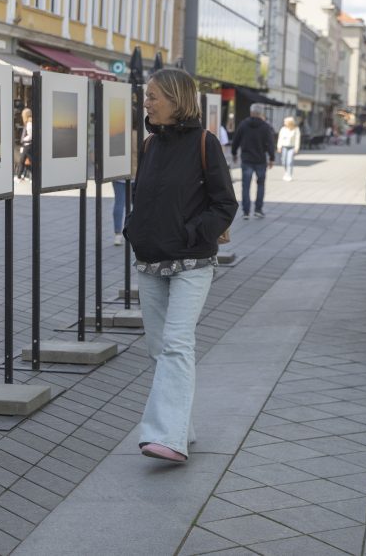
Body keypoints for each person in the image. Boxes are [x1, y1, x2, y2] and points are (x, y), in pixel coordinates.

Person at [123, 68, 237, 463]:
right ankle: (181, 429)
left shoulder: (206, 143)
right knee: (158, 349)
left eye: (154, 96)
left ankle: (165, 437)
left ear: (176, 99)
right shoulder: (151, 145)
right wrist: (135, 229)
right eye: (147, 97)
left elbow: (226, 203)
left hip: (192, 263)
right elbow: (145, 197)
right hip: (151, 260)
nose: (147, 103)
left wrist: (191, 234)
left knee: (176, 345)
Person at [231, 104, 275, 219]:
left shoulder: (243, 124)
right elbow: (270, 143)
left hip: (247, 159)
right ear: (260, 113)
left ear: (251, 112)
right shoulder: (265, 126)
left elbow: (236, 139)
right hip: (260, 160)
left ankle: (246, 212)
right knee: (260, 184)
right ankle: (258, 210)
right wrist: (272, 158)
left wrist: (234, 153)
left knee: (245, 186)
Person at [276, 116, 300, 181]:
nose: (284, 123)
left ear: (289, 122)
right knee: (284, 161)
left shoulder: (296, 129)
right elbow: (280, 138)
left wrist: (296, 148)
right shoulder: (283, 129)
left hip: (291, 147)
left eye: (285, 121)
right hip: (284, 147)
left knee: (289, 161)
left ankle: (289, 175)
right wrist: (279, 147)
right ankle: (286, 172)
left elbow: (297, 139)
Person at [17, 107, 33, 180]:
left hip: (27, 145)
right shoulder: (29, 123)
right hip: (27, 145)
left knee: (22, 161)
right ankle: (20, 176)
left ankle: (19, 176)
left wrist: (23, 139)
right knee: (26, 161)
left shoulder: (29, 123)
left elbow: (30, 135)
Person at [112, 180, 126, 245]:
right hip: (135, 175)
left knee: (119, 203)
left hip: (119, 176)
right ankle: (138, 231)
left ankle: (118, 235)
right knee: (138, 204)